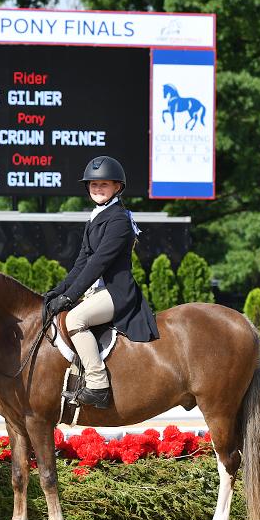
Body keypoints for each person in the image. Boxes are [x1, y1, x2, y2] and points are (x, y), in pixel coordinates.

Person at [45, 156, 159, 408]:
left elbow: (99, 263)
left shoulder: (118, 219)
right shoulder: (96, 218)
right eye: (93, 185)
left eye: (103, 185)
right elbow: (81, 263)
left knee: (75, 319)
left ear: (117, 187)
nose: (97, 189)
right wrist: (58, 291)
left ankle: (97, 384)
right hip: (98, 292)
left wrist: (70, 297)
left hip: (117, 293)